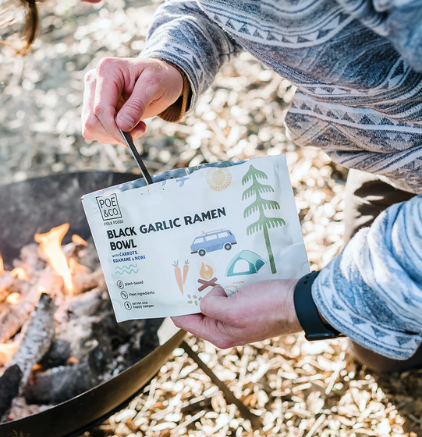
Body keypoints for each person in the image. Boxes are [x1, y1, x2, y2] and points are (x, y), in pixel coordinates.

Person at [81, 0, 422, 371]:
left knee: (385, 311)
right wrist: (172, 60)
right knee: (380, 348)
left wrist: (305, 305)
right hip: (390, 136)